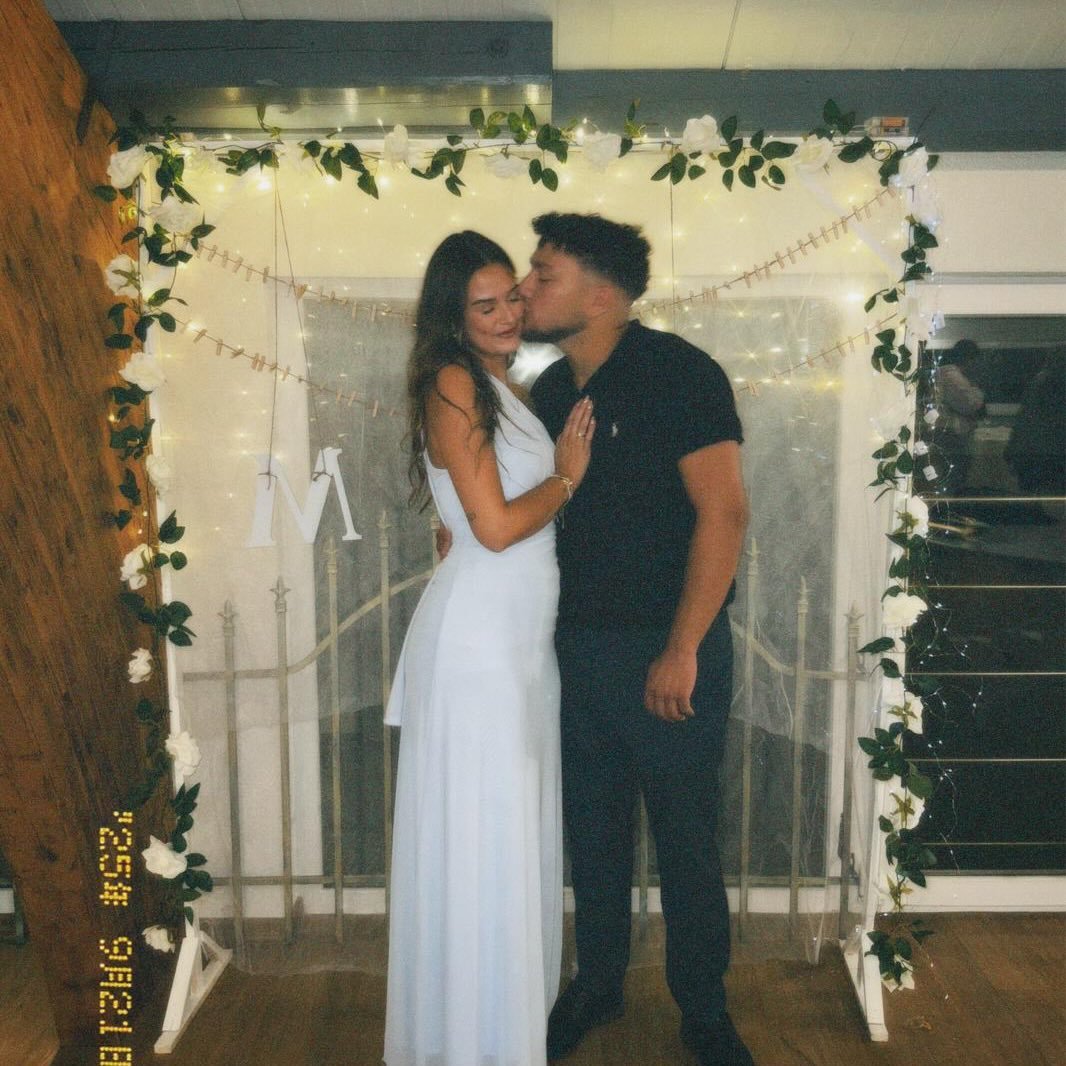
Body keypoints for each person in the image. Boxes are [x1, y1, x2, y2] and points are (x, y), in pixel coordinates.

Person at [519, 213, 752, 1065]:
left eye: (544, 274)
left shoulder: (680, 373)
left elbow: (723, 513)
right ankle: (598, 984)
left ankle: (705, 1011)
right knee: (593, 833)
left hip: (668, 649)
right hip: (577, 651)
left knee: (686, 840)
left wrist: (683, 648)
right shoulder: (551, 390)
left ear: (601, 296)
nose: (526, 288)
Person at [382, 230, 595, 1066]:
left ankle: (498, 1037)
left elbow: (473, 518)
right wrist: (568, 475)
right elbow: (497, 528)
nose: (507, 314)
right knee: (483, 839)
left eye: (512, 297)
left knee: (505, 839)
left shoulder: (500, 386)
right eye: (485, 305)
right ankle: (474, 1044)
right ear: (453, 316)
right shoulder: (453, 381)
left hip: (517, 645)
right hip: (481, 651)